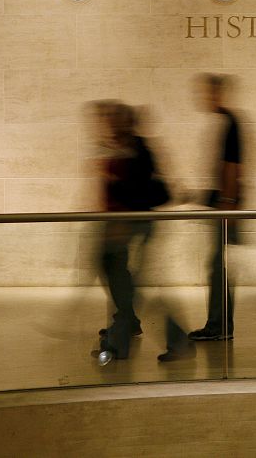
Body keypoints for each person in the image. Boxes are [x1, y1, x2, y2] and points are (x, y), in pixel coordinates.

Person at [94, 101, 165, 365]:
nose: (109, 123)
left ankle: (117, 344)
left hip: (130, 225)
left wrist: (120, 222)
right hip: (121, 225)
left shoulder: (135, 149)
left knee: (127, 286)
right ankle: (126, 327)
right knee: (122, 281)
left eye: (114, 118)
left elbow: (134, 190)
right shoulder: (123, 147)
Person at [186, 74, 242, 343]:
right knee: (217, 267)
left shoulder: (230, 122)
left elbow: (232, 168)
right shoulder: (224, 122)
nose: (205, 98)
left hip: (225, 208)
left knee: (218, 268)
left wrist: (227, 206)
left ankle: (219, 326)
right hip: (221, 205)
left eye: (209, 93)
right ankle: (219, 324)